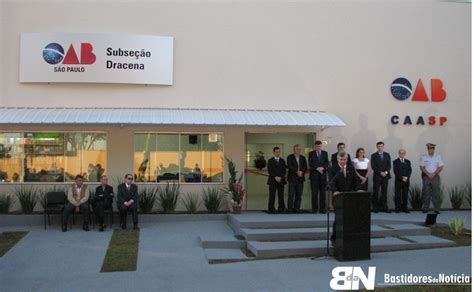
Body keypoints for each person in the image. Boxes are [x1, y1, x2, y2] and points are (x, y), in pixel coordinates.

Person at [328, 151, 362, 245]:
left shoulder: (351, 168)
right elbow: (331, 182)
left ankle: (348, 238)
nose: (343, 161)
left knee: (350, 218)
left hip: (350, 196)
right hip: (338, 197)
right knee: (338, 218)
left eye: (344, 159)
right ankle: (334, 239)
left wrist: (358, 189)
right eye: (341, 159)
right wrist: (335, 191)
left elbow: (356, 181)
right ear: (337, 159)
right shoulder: (332, 169)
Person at [420, 143, 444, 214]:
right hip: (426, 177)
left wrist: (433, 174)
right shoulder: (424, 157)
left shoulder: (438, 156)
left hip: (435, 177)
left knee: (436, 193)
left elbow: (441, 167)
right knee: (426, 193)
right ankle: (425, 208)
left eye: (431, 148)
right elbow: (421, 167)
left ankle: (436, 209)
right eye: (428, 148)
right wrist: (428, 174)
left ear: (433, 149)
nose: (429, 150)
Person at [308, 140, 329, 213]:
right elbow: (310, 163)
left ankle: (322, 209)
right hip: (314, 177)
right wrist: (317, 168)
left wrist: (323, 168)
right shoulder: (311, 153)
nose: (318, 147)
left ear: (321, 146)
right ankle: (314, 209)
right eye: (317, 146)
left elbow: (327, 163)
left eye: (319, 146)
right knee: (314, 194)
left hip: (322, 177)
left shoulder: (325, 153)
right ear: (315, 146)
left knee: (322, 193)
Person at [370, 141, 392, 213]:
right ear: (377, 147)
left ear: (383, 147)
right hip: (377, 176)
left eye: (381, 146)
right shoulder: (373, 155)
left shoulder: (387, 155)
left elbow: (389, 165)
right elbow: (373, 166)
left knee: (384, 192)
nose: (380, 148)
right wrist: (380, 172)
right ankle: (375, 208)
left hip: (385, 176)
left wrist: (385, 172)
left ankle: (385, 207)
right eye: (379, 146)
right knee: (376, 192)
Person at [286, 144, 308, 213]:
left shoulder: (303, 158)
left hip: (300, 179)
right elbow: (289, 166)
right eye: (297, 149)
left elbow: (305, 167)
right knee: (291, 195)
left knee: (299, 195)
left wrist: (302, 172)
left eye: (299, 149)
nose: (299, 150)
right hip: (292, 179)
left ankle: (297, 209)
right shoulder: (289, 157)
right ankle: (290, 209)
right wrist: (297, 171)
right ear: (294, 150)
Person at [267, 146, 286, 213]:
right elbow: (269, 170)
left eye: (279, 152)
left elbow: (284, 171)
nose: (278, 153)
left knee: (281, 195)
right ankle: (271, 209)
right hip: (272, 180)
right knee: (272, 195)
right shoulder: (270, 160)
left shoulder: (282, 161)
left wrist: (280, 177)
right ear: (274, 152)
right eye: (276, 152)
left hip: (281, 180)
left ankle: (281, 208)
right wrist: (275, 177)